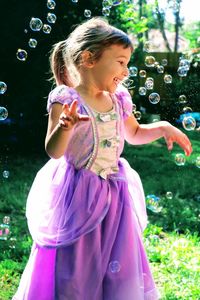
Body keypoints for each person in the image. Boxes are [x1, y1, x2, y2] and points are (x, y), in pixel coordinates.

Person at [13, 17, 192, 300]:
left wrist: (162, 127)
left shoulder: (118, 98)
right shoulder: (66, 98)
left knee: (116, 261)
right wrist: (65, 127)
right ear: (89, 58)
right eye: (120, 62)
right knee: (77, 262)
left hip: (114, 195)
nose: (126, 70)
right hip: (78, 195)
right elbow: (54, 151)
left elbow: (132, 133)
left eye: (127, 63)